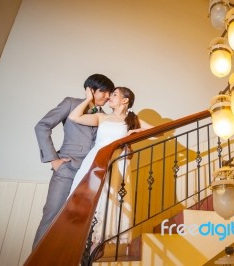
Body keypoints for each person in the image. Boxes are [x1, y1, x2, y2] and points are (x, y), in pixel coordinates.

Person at [32, 74, 115, 249]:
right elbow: (42, 126)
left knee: (79, 222)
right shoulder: (71, 103)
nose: (108, 97)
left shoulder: (106, 117)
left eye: (110, 94)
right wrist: (54, 160)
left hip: (91, 174)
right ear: (91, 90)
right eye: (104, 92)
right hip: (67, 169)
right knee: (52, 215)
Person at [68, 86, 152, 250]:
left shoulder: (132, 120)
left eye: (114, 94)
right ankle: (81, 245)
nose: (109, 97)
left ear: (125, 100)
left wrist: (137, 132)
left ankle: (94, 248)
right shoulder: (101, 117)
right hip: (94, 160)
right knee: (87, 197)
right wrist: (87, 100)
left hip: (116, 164)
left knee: (106, 201)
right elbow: (74, 116)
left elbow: (158, 133)